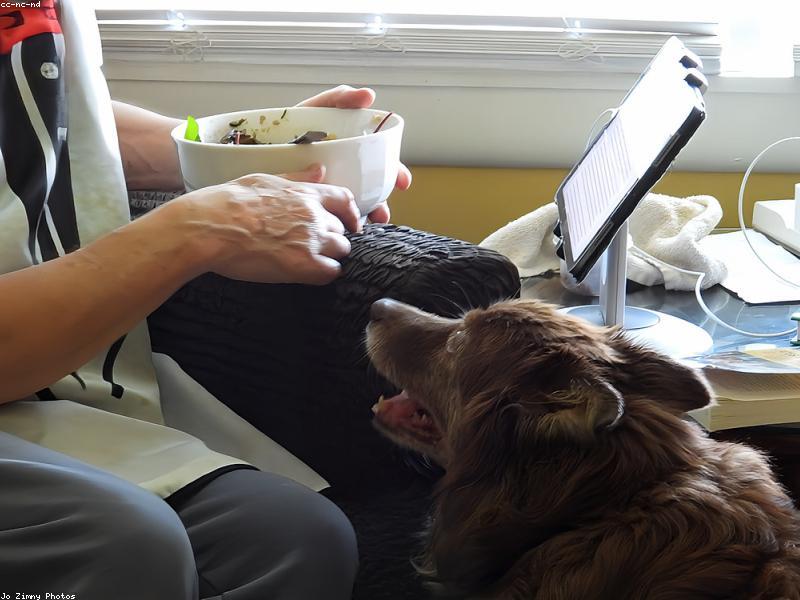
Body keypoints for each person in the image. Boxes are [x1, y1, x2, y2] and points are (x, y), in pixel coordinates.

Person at [0, 1, 411, 598]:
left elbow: (45, 115)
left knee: (295, 537)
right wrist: (193, 230)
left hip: (48, 392)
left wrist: (239, 161)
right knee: (126, 543)